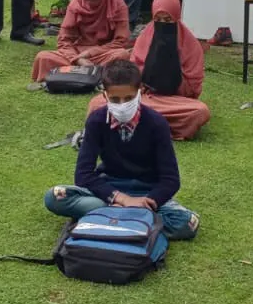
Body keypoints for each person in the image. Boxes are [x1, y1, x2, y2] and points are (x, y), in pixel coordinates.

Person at [43, 60, 200, 240]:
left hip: (146, 196)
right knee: (54, 197)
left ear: (140, 92)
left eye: (129, 98)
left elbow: (171, 180)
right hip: (108, 192)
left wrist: (148, 201)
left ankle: (105, 217)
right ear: (105, 95)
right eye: (115, 99)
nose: (122, 104)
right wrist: (121, 199)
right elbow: (83, 174)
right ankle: (134, 221)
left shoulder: (157, 123)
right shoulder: (96, 121)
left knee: (187, 223)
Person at [87, 0, 210, 140]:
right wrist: (140, 83)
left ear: (176, 18)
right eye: (158, 19)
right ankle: (154, 126)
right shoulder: (145, 38)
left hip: (173, 102)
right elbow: (131, 75)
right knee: (97, 104)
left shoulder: (191, 45)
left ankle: (134, 124)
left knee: (200, 111)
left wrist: (171, 70)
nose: (162, 24)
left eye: (168, 20)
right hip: (144, 98)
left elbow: (193, 89)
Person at [31, 0, 132, 81]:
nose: (90, 3)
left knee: (122, 56)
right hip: (77, 53)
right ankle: (96, 74)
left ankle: (74, 74)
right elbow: (64, 41)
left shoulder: (118, 5)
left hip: (105, 53)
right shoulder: (76, 5)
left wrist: (90, 53)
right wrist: (78, 59)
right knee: (43, 57)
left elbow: (120, 41)